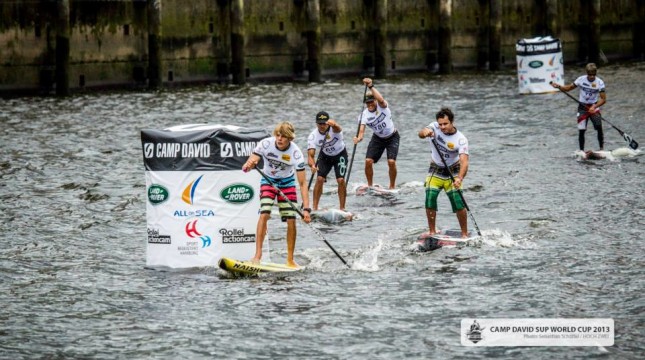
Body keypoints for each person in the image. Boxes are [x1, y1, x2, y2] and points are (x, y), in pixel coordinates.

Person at [242, 121, 311, 268]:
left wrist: (306, 209)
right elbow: (250, 161)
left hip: (287, 183)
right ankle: (257, 255)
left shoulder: (296, 154)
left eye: (283, 136)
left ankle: (290, 260)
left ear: (290, 138)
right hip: (268, 180)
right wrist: (248, 166)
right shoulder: (265, 144)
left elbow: (303, 183)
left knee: (291, 220)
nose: (279, 139)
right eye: (278, 135)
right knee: (264, 213)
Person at [418, 107, 470, 238]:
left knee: (458, 203)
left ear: (452, 122)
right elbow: (421, 133)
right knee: (430, 198)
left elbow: (464, 162)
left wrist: (459, 178)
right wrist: (425, 133)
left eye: (445, 124)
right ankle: (432, 232)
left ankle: (464, 234)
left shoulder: (461, 139)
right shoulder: (434, 127)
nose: (442, 127)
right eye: (440, 124)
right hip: (435, 169)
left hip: (453, 171)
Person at [352, 77, 399, 189]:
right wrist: (358, 138)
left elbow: (381, 99)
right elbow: (361, 131)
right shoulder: (364, 115)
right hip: (378, 138)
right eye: (367, 103)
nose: (370, 104)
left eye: (372, 101)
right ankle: (370, 185)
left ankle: (392, 186)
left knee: (391, 162)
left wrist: (371, 86)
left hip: (392, 137)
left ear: (375, 100)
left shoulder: (382, 106)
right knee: (368, 161)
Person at [551, 63, 606, 151]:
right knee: (581, 130)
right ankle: (581, 151)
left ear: (596, 73)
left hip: (593, 107)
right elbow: (568, 88)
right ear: (586, 73)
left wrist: (594, 107)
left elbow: (603, 99)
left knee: (599, 127)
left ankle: (601, 149)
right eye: (589, 74)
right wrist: (558, 86)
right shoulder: (581, 79)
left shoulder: (600, 82)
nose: (592, 76)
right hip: (582, 108)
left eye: (593, 75)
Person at [307, 111, 348, 211]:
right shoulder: (313, 136)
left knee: (340, 180)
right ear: (316, 123)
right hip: (325, 157)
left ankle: (342, 208)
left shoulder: (334, 130)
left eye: (324, 123)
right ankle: (315, 208)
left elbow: (338, 128)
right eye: (319, 123)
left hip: (340, 155)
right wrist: (312, 166)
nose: (322, 125)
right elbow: (310, 155)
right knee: (320, 179)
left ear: (328, 122)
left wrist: (334, 124)